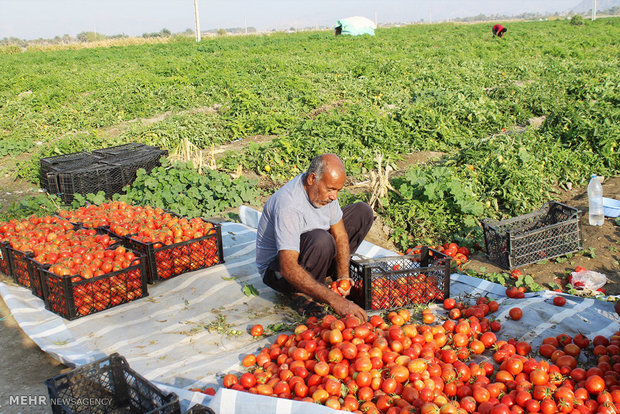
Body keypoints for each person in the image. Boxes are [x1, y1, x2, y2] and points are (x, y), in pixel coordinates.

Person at [256, 154, 373, 322]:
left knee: (362, 212)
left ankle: (323, 277)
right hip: (279, 272)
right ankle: (299, 294)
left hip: (311, 250)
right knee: (321, 240)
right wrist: (335, 300)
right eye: (331, 189)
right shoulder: (289, 205)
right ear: (312, 179)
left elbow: (340, 234)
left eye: (338, 190)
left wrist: (343, 276)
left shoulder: (324, 193)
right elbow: (287, 268)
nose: (335, 196)